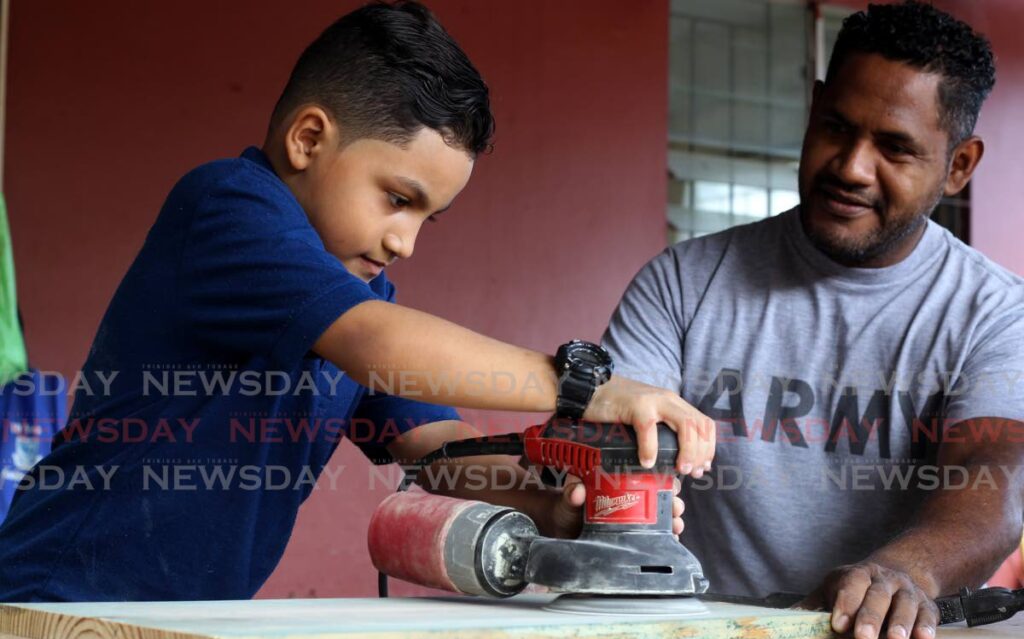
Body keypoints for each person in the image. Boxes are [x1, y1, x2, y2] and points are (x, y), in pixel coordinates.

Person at [0, 1, 714, 602]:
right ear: (309, 138)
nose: (405, 241)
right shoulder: (226, 206)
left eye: (425, 218)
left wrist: (547, 506)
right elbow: (376, 341)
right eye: (398, 199)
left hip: (189, 623)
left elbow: (436, 448)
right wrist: (586, 387)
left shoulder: (359, 292)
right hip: (51, 595)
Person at [602, 1, 1024, 639]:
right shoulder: (683, 282)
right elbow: (613, 446)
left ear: (959, 165)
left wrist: (901, 573)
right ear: (814, 106)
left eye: (894, 148)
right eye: (837, 127)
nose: (852, 167)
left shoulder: (995, 313)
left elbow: (992, 478)